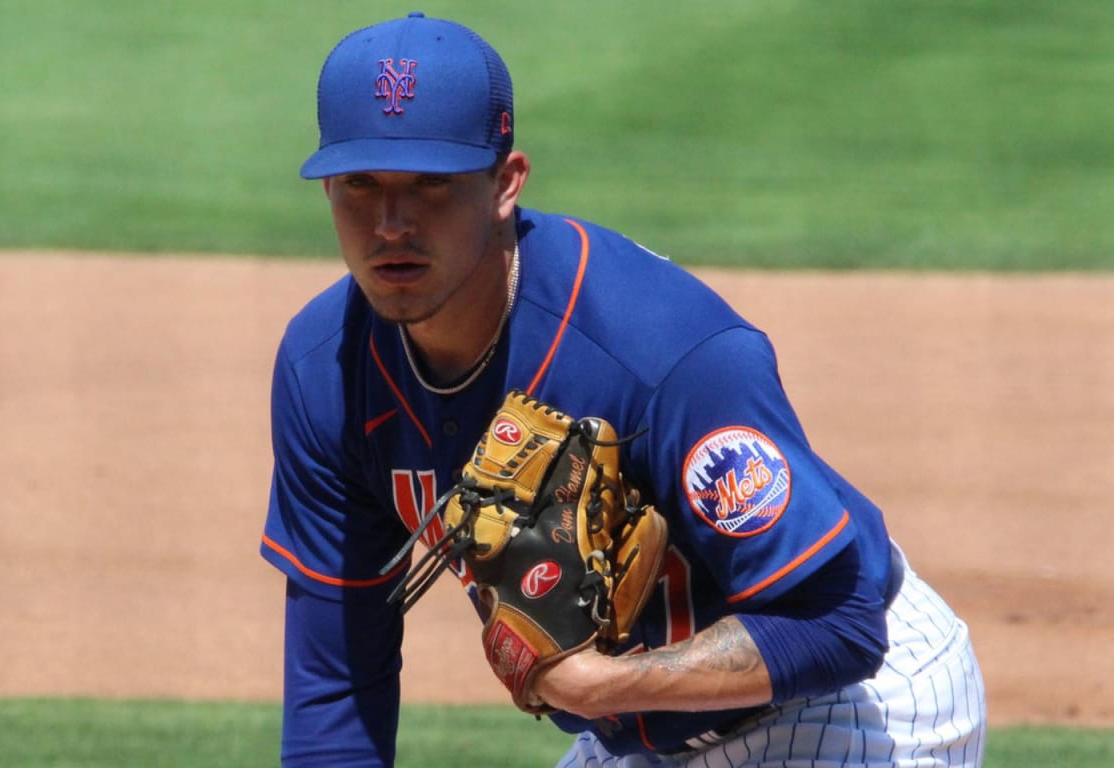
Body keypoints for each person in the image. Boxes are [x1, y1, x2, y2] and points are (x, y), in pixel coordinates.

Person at [260, 12, 986, 768]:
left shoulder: (661, 352)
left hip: (845, 698)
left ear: (506, 185)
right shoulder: (328, 371)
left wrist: (606, 686)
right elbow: (337, 686)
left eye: (433, 186)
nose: (391, 224)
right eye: (359, 185)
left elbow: (838, 622)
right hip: (647, 733)